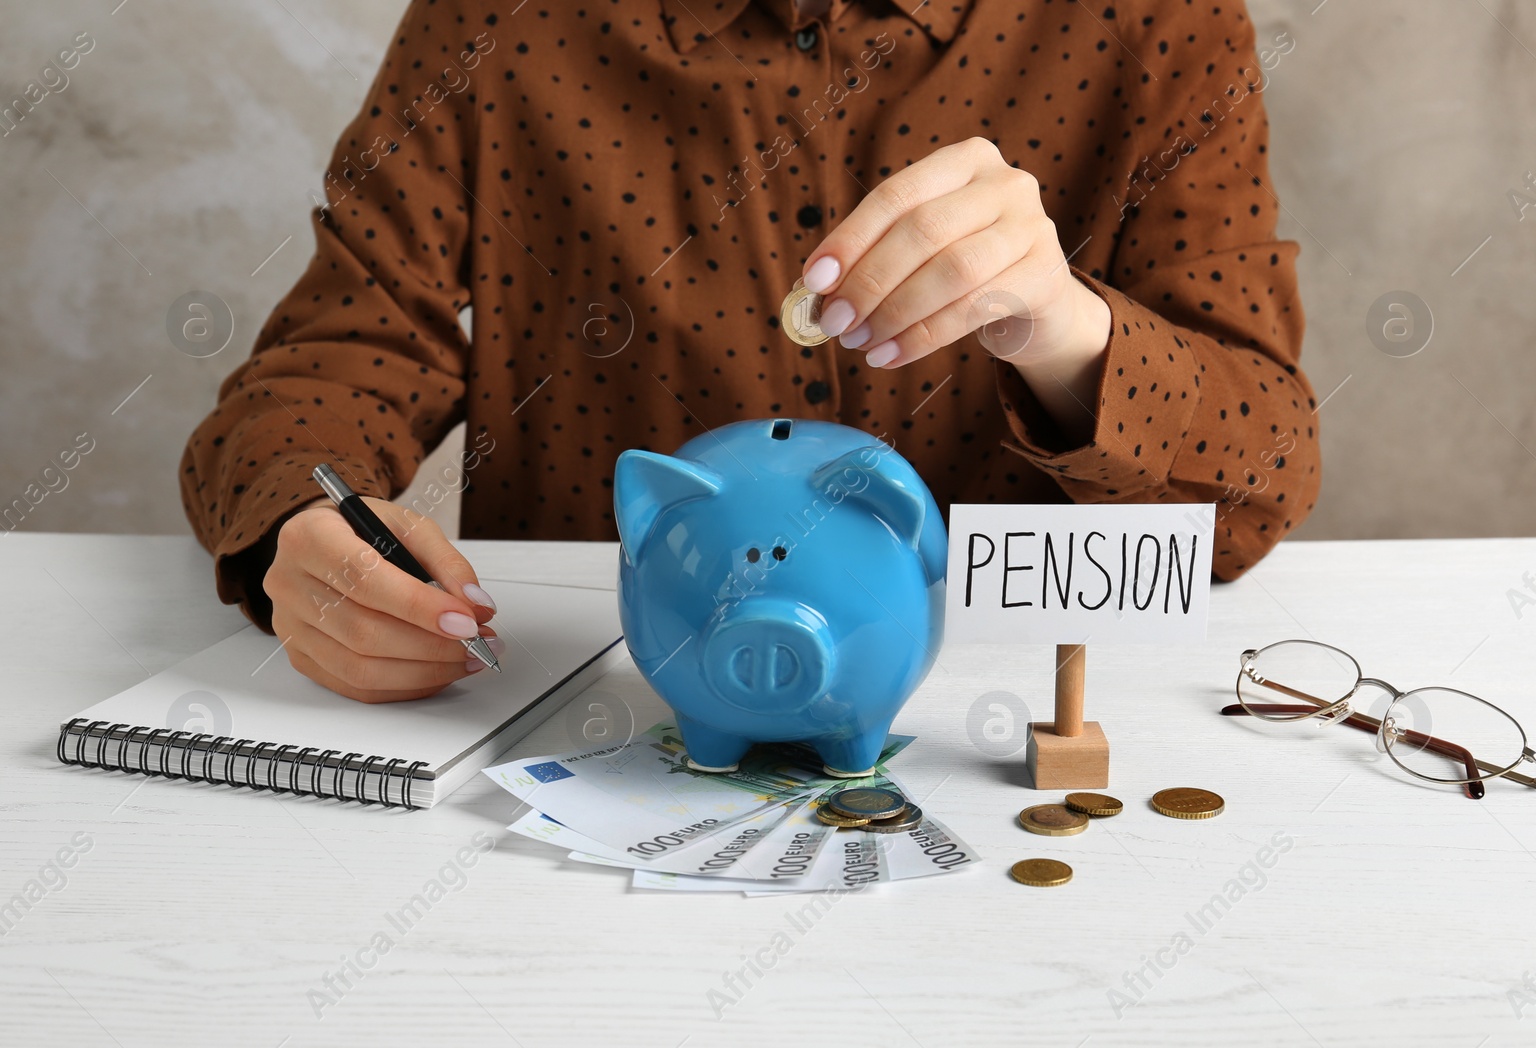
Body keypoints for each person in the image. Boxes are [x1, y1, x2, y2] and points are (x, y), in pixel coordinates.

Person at [181, 0, 1319, 702]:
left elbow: (1260, 479)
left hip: (985, 738)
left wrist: (1067, 331)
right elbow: (331, 360)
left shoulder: (1157, 21)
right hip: (602, 726)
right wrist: (306, 535)